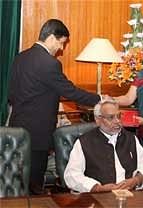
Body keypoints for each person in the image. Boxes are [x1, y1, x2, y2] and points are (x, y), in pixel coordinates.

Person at [8, 19, 101, 194]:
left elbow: (11, 95)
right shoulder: (50, 63)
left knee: (18, 181)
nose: (61, 48)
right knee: (35, 185)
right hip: (38, 133)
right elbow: (70, 92)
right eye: (61, 43)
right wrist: (100, 98)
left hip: (16, 129)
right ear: (51, 37)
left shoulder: (20, 57)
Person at [64, 98, 143, 193]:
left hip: (130, 195)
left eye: (119, 116)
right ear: (98, 119)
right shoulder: (84, 142)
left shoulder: (130, 138)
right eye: (111, 117)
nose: (117, 121)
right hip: (98, 198)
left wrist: (136, 180)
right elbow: (71, 175)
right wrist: (97, 188)